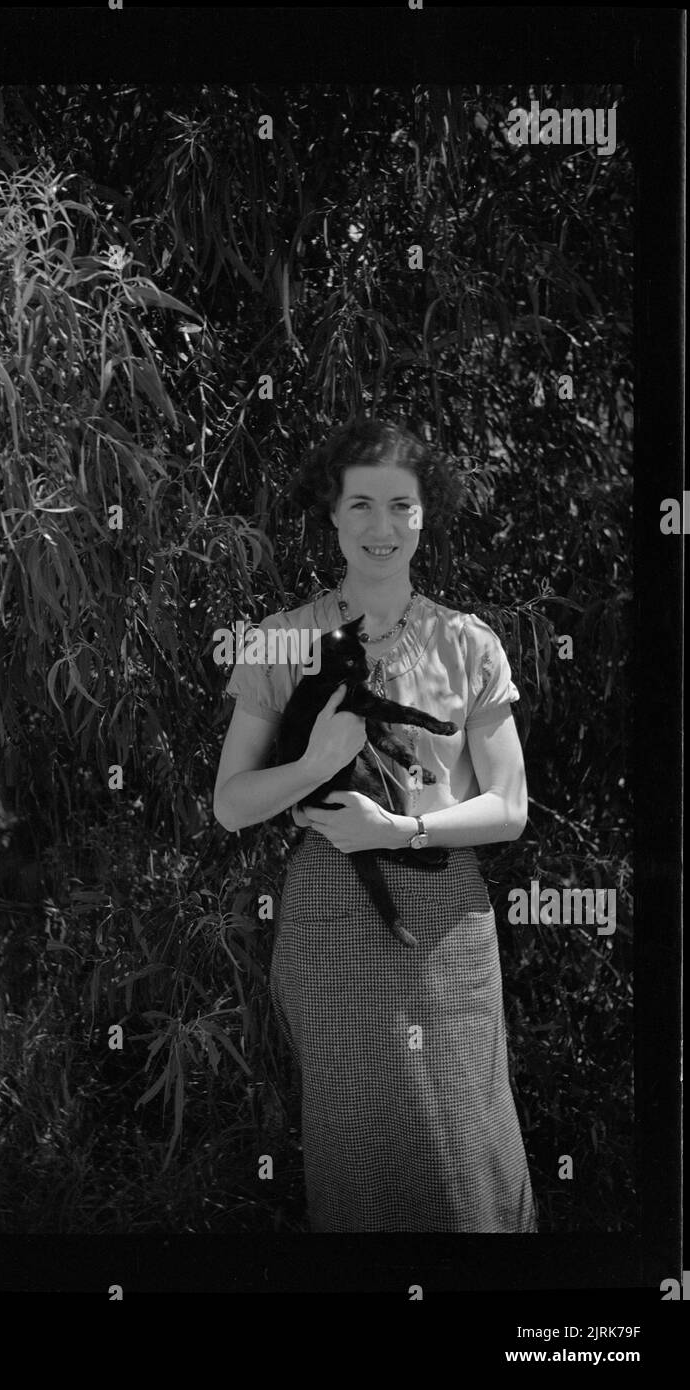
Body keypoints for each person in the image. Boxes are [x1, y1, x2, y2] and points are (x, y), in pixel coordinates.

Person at [213, 418, 538, 1233]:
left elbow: (508, 808)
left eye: (401, 505)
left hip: (446, 920)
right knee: (355, 1143)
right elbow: (231, 805)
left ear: (426, 515)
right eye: (361, 505)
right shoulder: (283, 639)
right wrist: (317, 762)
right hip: (327, 913)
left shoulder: (469, 644)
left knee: (462, 1140)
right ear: (333, 515)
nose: (381, 527)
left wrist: (402, 832)